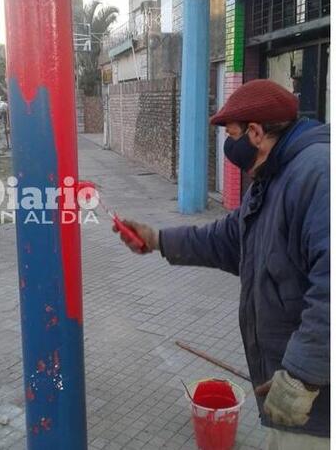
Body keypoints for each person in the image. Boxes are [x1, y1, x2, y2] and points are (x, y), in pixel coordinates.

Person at [115, 79, 329, 449]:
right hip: (289, 380)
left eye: (232, 136)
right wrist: (158, 240)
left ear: (256, 132)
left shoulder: (318, 175)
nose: (229, 147)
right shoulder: (273, 176)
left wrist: (301, 378)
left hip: (316, 400)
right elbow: (229, 239)